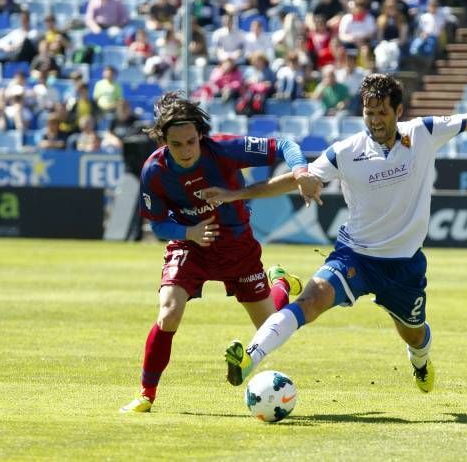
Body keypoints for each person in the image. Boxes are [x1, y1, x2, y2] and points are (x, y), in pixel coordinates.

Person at [201, 74, 467, 393]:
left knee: (413, 333)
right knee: (311, 302)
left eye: (381, 112)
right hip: (355, 255)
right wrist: (240, 192)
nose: (374, 120)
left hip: (403, 265)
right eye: (368, 112)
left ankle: (421, 362)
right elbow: (298, 178)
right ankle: (250, 359)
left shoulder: (424, 132)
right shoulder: (346, 151)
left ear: (398, 111)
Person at [119, 92, 323, 413]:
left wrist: (299, 171)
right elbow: (158, 226)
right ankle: (147, 393)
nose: (185, 151)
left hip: (237, 247)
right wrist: (189, 232)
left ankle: (280, 283)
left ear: (200, 134)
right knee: (169, 312)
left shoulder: (224, 149)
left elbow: (285, 145)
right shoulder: (154, 171)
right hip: (190, 245)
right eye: (176, 144)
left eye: (190, 142)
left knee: (270, 328)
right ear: (164, 140)